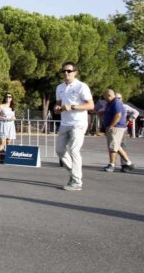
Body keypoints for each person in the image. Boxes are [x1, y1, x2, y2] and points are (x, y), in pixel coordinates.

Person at [53, 62, 94, 191]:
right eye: (64, 71)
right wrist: (57, 108)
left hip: (78, 123)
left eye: (69, 71)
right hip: (65, 123)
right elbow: (58, 103)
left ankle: (76, 182)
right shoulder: (59, 87)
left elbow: (91, 106)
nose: (66, 73)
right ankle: (73, 173)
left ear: (75, 72)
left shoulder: (82, 86)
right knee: (59, 150)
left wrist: (73, 107)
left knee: (74, 150)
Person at [101, 89, 136, 173]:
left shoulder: (116, 102)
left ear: (109, 95)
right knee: (117, 146)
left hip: (116, 127)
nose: (104, 98)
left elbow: (118, 115)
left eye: (105, 96)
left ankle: (111, 165)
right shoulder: (110, 103)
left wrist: (111, 125)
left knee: (113, 146)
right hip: (114, 127)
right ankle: (129, 163)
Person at [0, 93, 16, 163]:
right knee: (2, 142)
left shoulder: (12, 107)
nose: (8, 98)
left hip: (10, 126)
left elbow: (13, 116)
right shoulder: (1, 106)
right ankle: (0, 158)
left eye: (10, 97)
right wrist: (3, 117)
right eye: (7, 96)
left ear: (11, 98)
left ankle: (8, 158)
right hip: (3, 125)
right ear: (5, 98)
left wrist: (14, 118)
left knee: (8, 142)